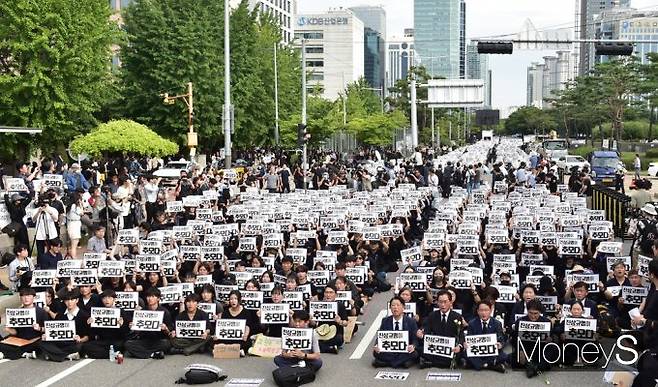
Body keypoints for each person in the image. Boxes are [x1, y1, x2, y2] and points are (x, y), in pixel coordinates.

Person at [417, 290, 465, 368]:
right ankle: (443, 363)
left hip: (450, 348)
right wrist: (422, 335)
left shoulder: (457, 316)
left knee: (461, 352)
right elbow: (427, 330)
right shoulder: (432, 315)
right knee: (419, 349)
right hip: (436, 347)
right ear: (437, 302)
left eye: (445, 302)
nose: (443, 305)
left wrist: (459, 346)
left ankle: (432, 363)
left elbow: (461, 334)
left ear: (450, 302)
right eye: (440, 302)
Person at [39, 289, 91, 362]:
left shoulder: (84, 315)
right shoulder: (60, 314)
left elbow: (88, 336)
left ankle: (54, 355)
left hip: (74, 343)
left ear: (77, 300)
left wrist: (80, 339)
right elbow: (54, 330)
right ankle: (66, 355)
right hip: (60, 342)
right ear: (64, 301)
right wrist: (47, 336)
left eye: (72, 300)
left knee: (81, 346)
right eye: (67, 300)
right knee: (42, 343)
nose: (69, 302)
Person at [124, 287, 174, 359]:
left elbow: (170, 330)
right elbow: (138, 331)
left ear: (158, 298)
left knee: (167, 344)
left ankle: (142, 353)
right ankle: (153, 354)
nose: (150, 299)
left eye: (153, 296)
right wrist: (134, 326)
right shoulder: (142, 311)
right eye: (148, 296)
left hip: (158, 340)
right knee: (128, 344)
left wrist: (166, 328)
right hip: (144, 340)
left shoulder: (165, 311)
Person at [0, 287, 48, 360]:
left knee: (41, 344)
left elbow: (48, 329)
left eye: (28, 296)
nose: (26, 298)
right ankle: (24, 354)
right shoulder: (17, 313)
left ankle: (11, 353)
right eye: (23, 296)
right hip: (20, 340)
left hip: (34, 340)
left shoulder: (41, 312)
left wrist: (39, 328)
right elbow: (16, 332)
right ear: (20, 298)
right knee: (2, 343)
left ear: (34, 297)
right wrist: (9, 330)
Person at [372, 296, 419, 369]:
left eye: (398, 305)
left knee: (414, 353)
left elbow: (415, 339)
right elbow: (380, 337)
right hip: (390, 350)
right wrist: (376, 345)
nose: (395, 308)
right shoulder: (385, 320)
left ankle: (388, 363)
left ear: (403, 307)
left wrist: (413, 346)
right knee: (376, 352)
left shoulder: (411, 321)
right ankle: (401, 362)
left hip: (404, 350)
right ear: (390, 308)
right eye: (393, 305)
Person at [81, 289, 129, 358]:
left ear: (114, 299)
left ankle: (104, 353)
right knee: (86, 346)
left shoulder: (120, 311)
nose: (106, 300)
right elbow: (94, 333)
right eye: (104, 298)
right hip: (103, 341)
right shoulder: (98, 312)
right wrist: (91, 324)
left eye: (109, 298)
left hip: (116, 341)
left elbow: (126, 332)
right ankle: (114, 354)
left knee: (122, 345)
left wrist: (122, 325)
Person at [465, 300, 507, 373]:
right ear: (477, 311)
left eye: (486, 310)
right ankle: (490, 365)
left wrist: (500, 344)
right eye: (481, 310)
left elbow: (501, 339)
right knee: (465, 354)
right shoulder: (472, 323)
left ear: (490, 311)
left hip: (491, 352)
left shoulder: (497, 323)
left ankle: (479, 365)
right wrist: (466, 344)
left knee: (503, 356)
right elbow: (469, 338)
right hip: (477, 352)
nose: (483, 313)